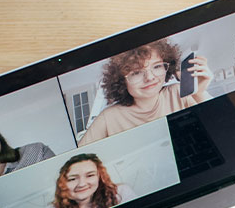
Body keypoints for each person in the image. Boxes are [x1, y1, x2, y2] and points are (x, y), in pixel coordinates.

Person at [79, 40, 213, 145]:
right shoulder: (108, 118)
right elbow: (75, 160)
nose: (150, 77)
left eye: (157, 66)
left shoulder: (179, 93)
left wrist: (199, 92)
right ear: (121, 81)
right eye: (136, 72)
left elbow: (223, 130)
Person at [46, 153, 121, 208]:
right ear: (63, 184)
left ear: (100, 177)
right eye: (72, 179)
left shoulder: (120, 193)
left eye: (90, 175)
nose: (82, 184)